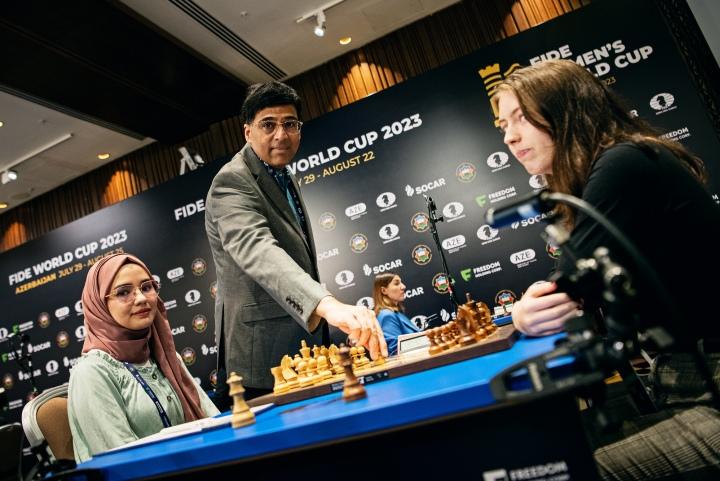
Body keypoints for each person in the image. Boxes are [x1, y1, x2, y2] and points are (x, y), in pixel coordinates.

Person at [493, 59, 720, 480]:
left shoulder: (622, 164)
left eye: (521, 118)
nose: (509, 136)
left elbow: (562, 294)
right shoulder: (611, 166)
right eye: (502, 124)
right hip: (679, 378)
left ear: (565, 110)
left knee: (561, 471)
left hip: (710, 388)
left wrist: (524, 312)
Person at [205, 81, 387, 401]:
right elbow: (257, 248)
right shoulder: (231, 181)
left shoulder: (283, 175)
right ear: (248, 132)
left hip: (299, 348)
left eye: (290, 124)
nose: (281, 135)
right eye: (268, 125)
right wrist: (326, 304)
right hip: (261, 360)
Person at [67, 253, 219, 462]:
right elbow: (124, 463)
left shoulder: (165, 355)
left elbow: (211, 418)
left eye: (147, 287)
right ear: (99, 305)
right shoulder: (91, 373)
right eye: (123, 292)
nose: (141, 298)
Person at [372, 273, 420, 356]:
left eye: (401, 283)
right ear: (384, 290)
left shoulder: (395, 312)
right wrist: (429, 338)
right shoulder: (387, 315)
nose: (403, 286)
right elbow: (396, 350)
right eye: (397, 283)